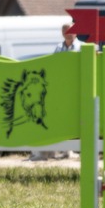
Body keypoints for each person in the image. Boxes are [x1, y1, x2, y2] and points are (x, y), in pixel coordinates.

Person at [31, 22, 82, 161]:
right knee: (61, 118)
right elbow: (53, 66)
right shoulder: (58, 48)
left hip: (76, 87)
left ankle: (68, 150)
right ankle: (63, 150)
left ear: (76, 32)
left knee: (71, 119)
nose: (68, 33)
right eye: (65, 31)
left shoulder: (82, 47)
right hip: (60, 88)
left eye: (70, 31)